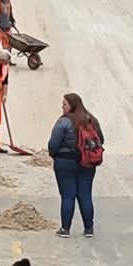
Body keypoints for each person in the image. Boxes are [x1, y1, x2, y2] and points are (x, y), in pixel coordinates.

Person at [49, 92, 102, 238]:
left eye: (64, 104)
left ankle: (65, 229)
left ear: (71, 105)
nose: (62, 107)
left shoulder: (64, 122)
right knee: (85, 195)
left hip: (65, 163)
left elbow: (53, 144)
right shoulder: (91, 120)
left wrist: (55, 155)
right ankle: (89, 229)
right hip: (87, 163)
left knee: (68, 196)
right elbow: (100, 140)